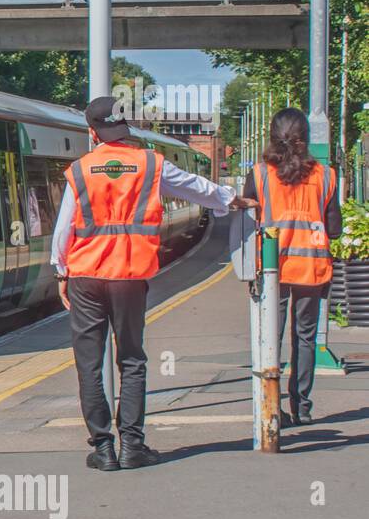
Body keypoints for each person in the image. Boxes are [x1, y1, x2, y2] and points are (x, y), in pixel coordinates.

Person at [51, 96, 258, 471]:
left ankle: (102, 448)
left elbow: (64, 226)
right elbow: (195, 187)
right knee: (131, 359)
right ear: (124, 128)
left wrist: (60, 270)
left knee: (89, 363)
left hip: (85, 275)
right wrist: (232, 199)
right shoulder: (150, 164)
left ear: (91, 131)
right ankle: (132, 446)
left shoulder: (79, 170)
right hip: (130, 275)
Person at [243, 107, 342, 426]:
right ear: (306, 139)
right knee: (305, 337)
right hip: (312, 269)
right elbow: (335, 228)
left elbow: (247, 220)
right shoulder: (326, 176)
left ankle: (270, 406)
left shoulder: (259, 174)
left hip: (273, 269)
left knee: (270, 337)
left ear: (272, 136)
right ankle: (302, 406)